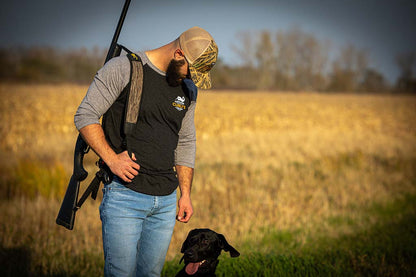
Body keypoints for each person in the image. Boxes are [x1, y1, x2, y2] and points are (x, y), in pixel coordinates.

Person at [74, 26, 218, 277]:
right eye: (190, 72)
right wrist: (112, 159)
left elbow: (185, 141)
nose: (191, 79)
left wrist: (185, 193)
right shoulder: (124, 69)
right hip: (125, 196)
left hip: (165, 201)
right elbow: (85, 115)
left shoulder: (189, 91)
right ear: (178, 54)